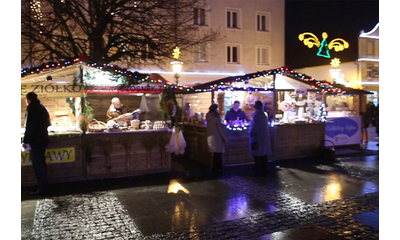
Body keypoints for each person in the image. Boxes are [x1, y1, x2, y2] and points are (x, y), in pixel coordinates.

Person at [22, 92, 51, 195]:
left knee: (37, 166)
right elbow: (48, 123)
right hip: (43, 140)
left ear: (28, 99)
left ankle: (42, 188)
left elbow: (29, 127)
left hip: (35, 142)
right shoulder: (42, 108)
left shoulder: (31, 109)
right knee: (41, 164)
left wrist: (25, 141)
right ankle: (44, 186)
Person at [249, 100, 271, 172]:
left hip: (257, 137)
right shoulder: (264, 114)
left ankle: (258, 167)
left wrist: (251, 132)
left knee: (257, 153)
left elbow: (255, 127)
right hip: (264, 136)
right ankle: (264, 166)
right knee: (264, 153)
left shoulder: (256, 115)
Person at [206, 103, 229, 175]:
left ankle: (214, 169)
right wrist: (226, 139)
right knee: (218, 155)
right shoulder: (217, 117)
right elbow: (221, 129)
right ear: (216, 109)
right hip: (217, 138)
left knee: (215, 154)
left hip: (210, 138)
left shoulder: (208, 116)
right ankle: (219, 169)